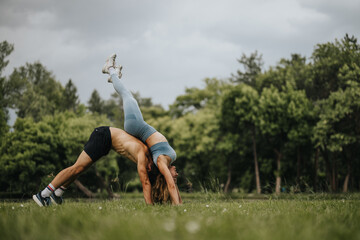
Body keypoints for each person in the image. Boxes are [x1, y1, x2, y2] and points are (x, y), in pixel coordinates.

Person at [102, 54, 182, 205]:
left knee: (127, 96)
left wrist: (177, 207)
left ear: (164, 175)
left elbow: (170, 184)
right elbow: (173, 186)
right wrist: (181, 205)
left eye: (174, 176)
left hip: (137, 125)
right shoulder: (167, 161)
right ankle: (114, 77)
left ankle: (110, 69)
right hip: (139, 127)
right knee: (128, 96)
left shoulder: (161, 161)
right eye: (175, 176)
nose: (176, 175)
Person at [33, 127, 160, 206]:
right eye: (149, 168)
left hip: (106, 141)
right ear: (151, 165)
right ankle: (43, 194)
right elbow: (145, 183)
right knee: (77, 167)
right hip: (103, 136)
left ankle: (58, 193)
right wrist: (149, 207)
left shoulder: (147, 152)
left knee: (81, 168)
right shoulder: (142, 153)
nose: (147, 169)